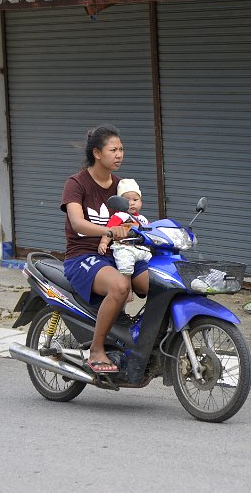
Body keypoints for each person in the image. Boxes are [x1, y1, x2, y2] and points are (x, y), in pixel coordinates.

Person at [60, 124, 149, 374]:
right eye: (113, 150)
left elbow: (135, 216)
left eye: (121, 149)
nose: (119, 154)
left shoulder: (122, 185)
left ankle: (142, 340)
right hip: (84, 256)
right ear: (97, 153)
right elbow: (77, 223)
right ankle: (97, 349)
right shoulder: (76, 183)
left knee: (161, 282)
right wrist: (108, 231)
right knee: (120, 286)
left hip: (121, 254)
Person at [97, 178, 152, 301]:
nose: (132, 203)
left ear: (141, 202)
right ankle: (127, 290)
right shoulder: (120, 216)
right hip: (124, 248)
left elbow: (152, 231)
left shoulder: (143, 219)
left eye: (135, 199)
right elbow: (109, 230)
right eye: (127, 200)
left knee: (154, 264)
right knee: (125, 268)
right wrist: (104, 242)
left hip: (142, 249)